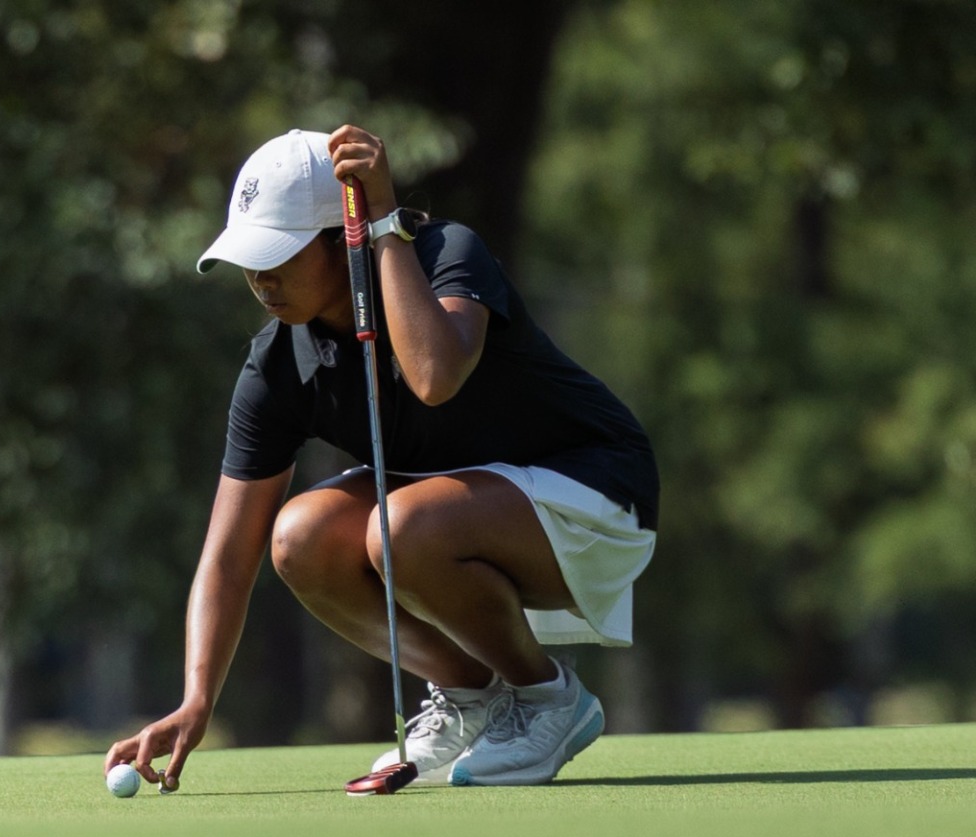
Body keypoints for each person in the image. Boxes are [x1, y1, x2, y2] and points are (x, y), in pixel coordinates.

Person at [104, 126, 659, 790]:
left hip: (595, 497)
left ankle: (548, 698)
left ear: (343, 238)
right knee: (301, 536)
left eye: (278, 255)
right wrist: (197, 698)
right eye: (249, 259)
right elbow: (227, 556)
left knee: (400, 526)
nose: (260, 279)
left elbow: (433, 376)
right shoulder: (276, 366)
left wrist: (384, 220)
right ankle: (472, 695)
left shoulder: (446, 252)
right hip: (448, 527)